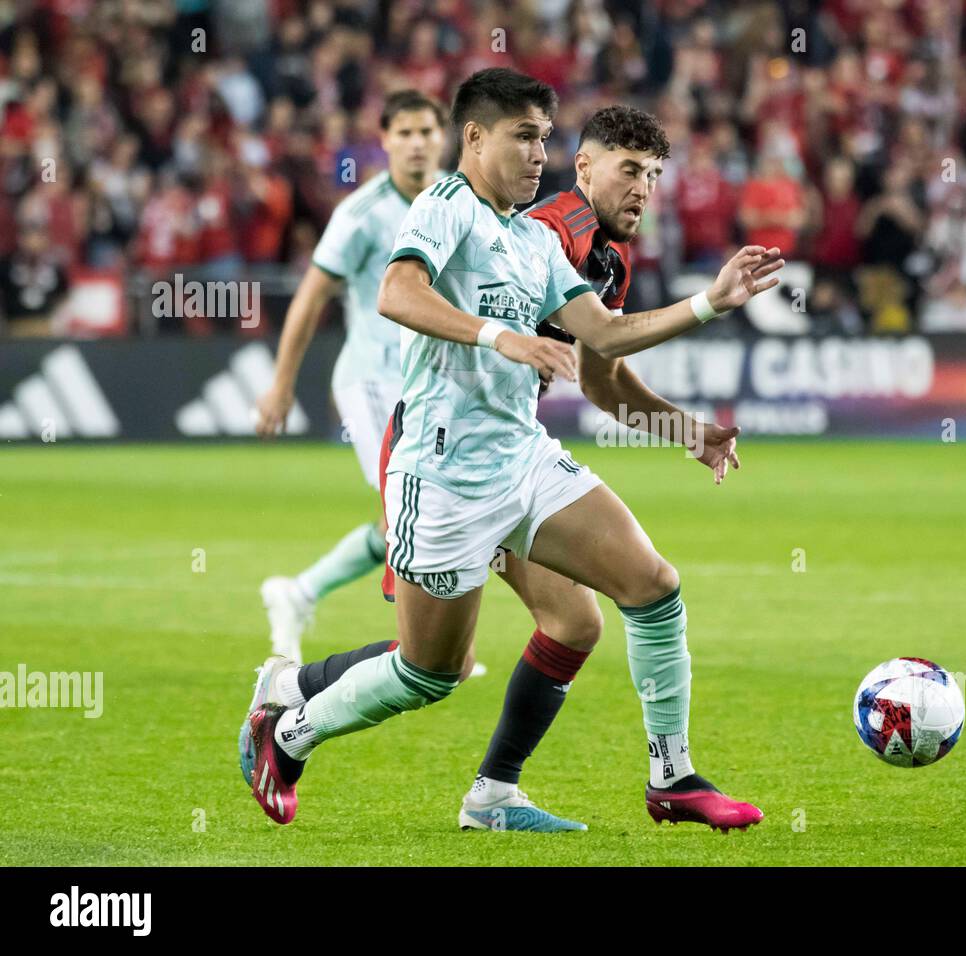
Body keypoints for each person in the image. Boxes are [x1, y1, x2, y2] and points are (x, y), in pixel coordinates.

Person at [241, 68, 782, 831]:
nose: (538, 154)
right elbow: (396, 293)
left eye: (543, 139)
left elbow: (602, 355)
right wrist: (504, 336)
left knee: (647, 589)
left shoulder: (539, 241)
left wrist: (707, 319)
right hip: (442, 465)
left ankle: (670, 779)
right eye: (526, 137)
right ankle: (289, 723)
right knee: (432, 671)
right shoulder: (454, 206)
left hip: (520, 455)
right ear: (477, 138)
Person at [252, 90, 481, 672]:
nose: (416, 142)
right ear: (384, 141)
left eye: (426, 131)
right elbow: (310, 298)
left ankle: (299, 592)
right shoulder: (360, 213)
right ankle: (424, 648)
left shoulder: (459, 200)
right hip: (374, 382)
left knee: (426, 509)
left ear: (443, 137)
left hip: (431, 383)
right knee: (410, 509)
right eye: (402, 132)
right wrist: (281, 384)